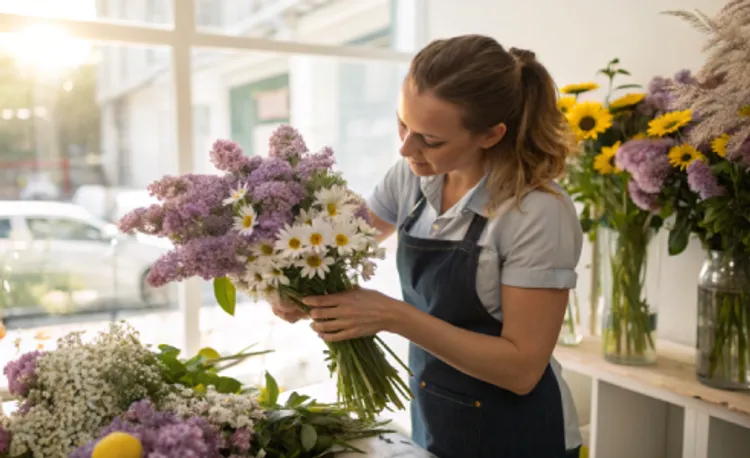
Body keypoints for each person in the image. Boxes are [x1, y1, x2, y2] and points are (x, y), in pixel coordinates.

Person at [270, 34, 584, 458]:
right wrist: (294, 288)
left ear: (490, 134)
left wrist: (392, 315)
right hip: (436, 418)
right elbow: (333, 247)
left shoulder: (536, 212)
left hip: (518, 435)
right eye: (403, 123)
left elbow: (523, 368)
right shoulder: (411, 178)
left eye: (430, 140)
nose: (406, 147)